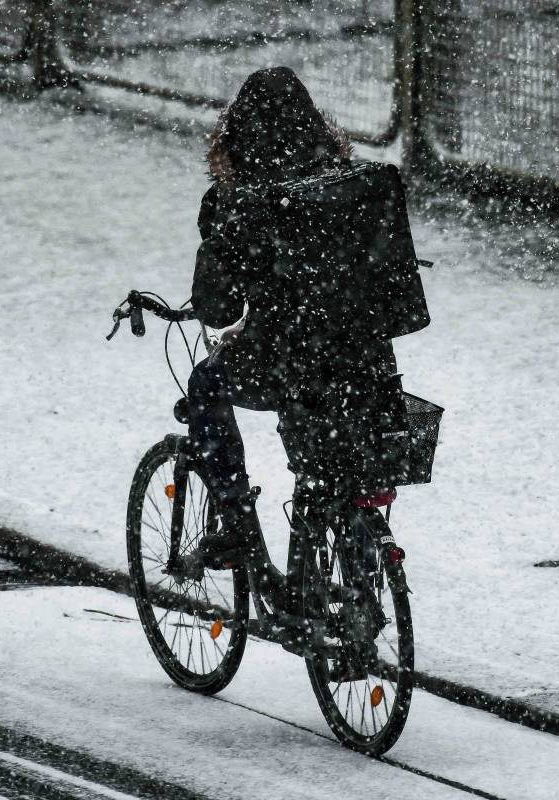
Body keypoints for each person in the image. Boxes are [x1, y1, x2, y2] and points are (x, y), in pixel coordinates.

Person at [187, 67, 417, 568]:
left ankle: (232, 523)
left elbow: (218, 307)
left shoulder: (242, 201)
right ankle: (353, 582)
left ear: (235, 135)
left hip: (288, 359)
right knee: (329, 457)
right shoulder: (353, 188)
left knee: (205, 384)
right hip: (364, 364)